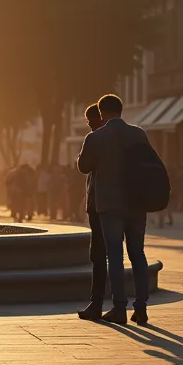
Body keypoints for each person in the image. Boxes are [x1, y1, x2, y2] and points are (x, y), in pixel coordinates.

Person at [76, 94, 152, 326]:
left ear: (101, 113)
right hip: (137, 203)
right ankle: (141, 307)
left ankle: (120, 307)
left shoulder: (96, 137)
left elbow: (83, 167)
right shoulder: (139, 133)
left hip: (109, 205)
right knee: (137, 253)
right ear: (121, 110)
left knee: (115, 256)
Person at [77, 103, 108, 321]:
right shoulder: (130, 134)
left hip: (99, 204)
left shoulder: (95, 138)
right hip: (124, 204)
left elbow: (83, 166)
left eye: (89, 121)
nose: (89, 125)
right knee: (123, 253)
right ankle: (133, 305)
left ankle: (96, 303)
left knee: (98, 255)